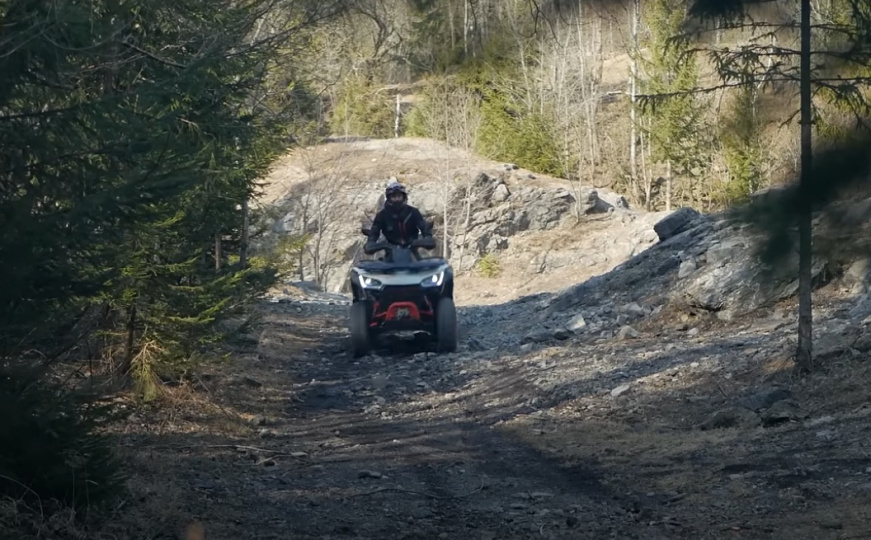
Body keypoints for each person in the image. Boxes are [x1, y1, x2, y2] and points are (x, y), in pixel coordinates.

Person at [366, 181, 432, 249]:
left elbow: (423, 226)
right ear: (389, 198)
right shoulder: (382, 215)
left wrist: (428, 237)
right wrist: (371, 242)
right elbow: (374, 232)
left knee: (434, 259)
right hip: (390, 250)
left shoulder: (413, 212)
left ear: (403, 197)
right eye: (394, 197)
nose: (397, 199)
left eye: (399, 196)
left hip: (412, 249)